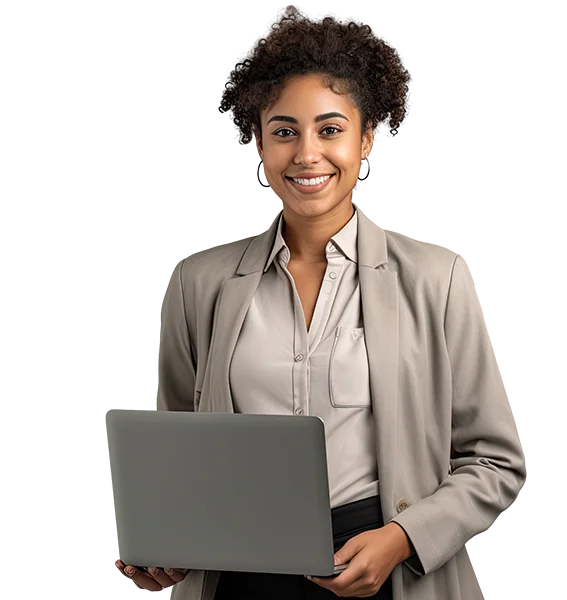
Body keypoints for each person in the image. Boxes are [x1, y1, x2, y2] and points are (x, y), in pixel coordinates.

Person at [113, 12, 526, 600]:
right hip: (238, 573)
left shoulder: (438, 281)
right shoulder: (198, 282)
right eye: (284, 132)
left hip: (376, 566)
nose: (308, 154)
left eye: (330, 129)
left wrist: (404, 537)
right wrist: (145, 542)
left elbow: (495, 462)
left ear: (366, 140)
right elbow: (169, 455)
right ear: (259, 144)